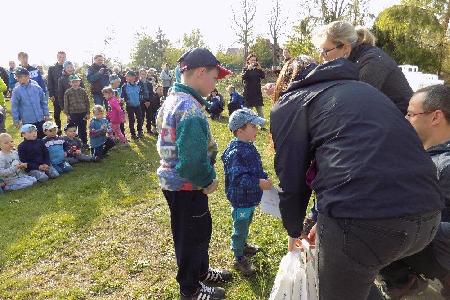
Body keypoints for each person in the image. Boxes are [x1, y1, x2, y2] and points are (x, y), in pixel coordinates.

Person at [270, 57, 443, 300]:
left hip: (366, 223)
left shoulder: (292, 102)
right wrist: (326, 220)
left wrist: (294, 231)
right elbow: (362, 163)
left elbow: (292, 177)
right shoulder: (365, 91)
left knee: (345, 279)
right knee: (356, 274)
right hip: (428, 217)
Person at [156, 48, 233, 300]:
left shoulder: (173, 99)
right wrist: (207, 180)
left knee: (198, 231)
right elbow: (191, 162)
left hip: (175, 185)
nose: (215, 83)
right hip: (188, 186)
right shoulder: (190, 109)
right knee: (192, 237)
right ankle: (190, 289)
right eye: (214, 77)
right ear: (201, 72)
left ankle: (201, 272)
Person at [379, 84, 450, 299]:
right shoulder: (423, 157)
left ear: (436, 117)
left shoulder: (444, 166)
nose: (405, 119)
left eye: (411, 114)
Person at [313, 21, 412, 115]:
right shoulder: (354, 60)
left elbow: (356, 103)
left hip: (403, 120)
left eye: (325, 51)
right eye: (320, 51)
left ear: (345, 48)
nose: (322, 56)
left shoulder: (372, 61)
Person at [221, 108, 272, 276]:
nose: (256, 129)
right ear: (240, 130)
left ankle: (243, 246)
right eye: (253, 126)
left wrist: (263, 177)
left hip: (249, 199)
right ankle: (238, 257)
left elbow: (254, 169)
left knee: (246, 223)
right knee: (240, 227)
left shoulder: (248, 146)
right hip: (241, 199)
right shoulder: (237, 152)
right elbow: (238, 179)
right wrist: (258, 183)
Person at [11, 67, 49, 139]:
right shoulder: (16, 91)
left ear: (28, 76)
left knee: (42, 139)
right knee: (30, 140)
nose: (18, 79)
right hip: (27, 121)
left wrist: (46, 114)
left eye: (21, 77)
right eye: (17, 77)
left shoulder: (37, 88)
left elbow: (43, 102)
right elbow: (14, 106)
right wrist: (16, 120)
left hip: (40, 119)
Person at [63, 74, 90, 145]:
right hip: (73, 114)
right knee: (73, 129)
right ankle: (73, 143)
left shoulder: (83, 91)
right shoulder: (68, 92)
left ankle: (84, 143)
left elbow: (87, 102)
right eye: (73, 82)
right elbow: (66, 104)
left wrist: (88, 113)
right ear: (70, 83)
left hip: (83, 112)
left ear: (79, 82)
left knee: (83, 129)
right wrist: (67, 114)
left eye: (76, 81)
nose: (75, 83)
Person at [242, 53, 266, 123]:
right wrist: (248, 70)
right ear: (248, 61)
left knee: (260, 110)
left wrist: (260, 69)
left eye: (255, 60)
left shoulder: (258, 69)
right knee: (249, 111)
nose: (253, 62)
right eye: (252, 60)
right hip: (249, 93)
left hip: (257, 92)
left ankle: (262, 125)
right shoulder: (245, 69)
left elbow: (263, 76)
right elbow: (243, 77)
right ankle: (248, 125)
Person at [48, 51, 66, 133]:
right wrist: (51, 94)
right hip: (57, 94)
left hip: (67, 94)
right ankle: (58, 129)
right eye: (60, 57)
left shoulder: (68, 68)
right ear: (57, 57)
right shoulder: (52, 68)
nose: (62, 59)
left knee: (70, 113)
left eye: (63, 57)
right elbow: (50, 82)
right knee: (57, 113)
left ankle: (70, 129)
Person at [121, 70, 143, 139]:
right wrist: (126, 100)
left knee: (140, 118)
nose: (127, 78)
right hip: (130, 106)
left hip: (138, 105)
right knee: (131, 120)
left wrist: (140, 100)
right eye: (126, 77)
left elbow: (141, 94)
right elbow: (122, 96)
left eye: (129, 76)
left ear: (134, 77)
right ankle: (133, 134)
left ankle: (140, 131)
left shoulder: (138, 85)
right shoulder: (124, 86)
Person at [138, 69, 155, 135]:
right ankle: (140, 131)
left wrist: (149, 101)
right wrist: (145, 101)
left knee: (149, 116)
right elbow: (139, 94)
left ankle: (149, 129)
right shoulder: (138, 84)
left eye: (144, 74)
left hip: (149, 101)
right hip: (142, 102)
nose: (143, 75)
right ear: (139, 75)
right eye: (142, 74)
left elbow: (151, 93)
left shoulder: (149, 83)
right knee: (141, 116)